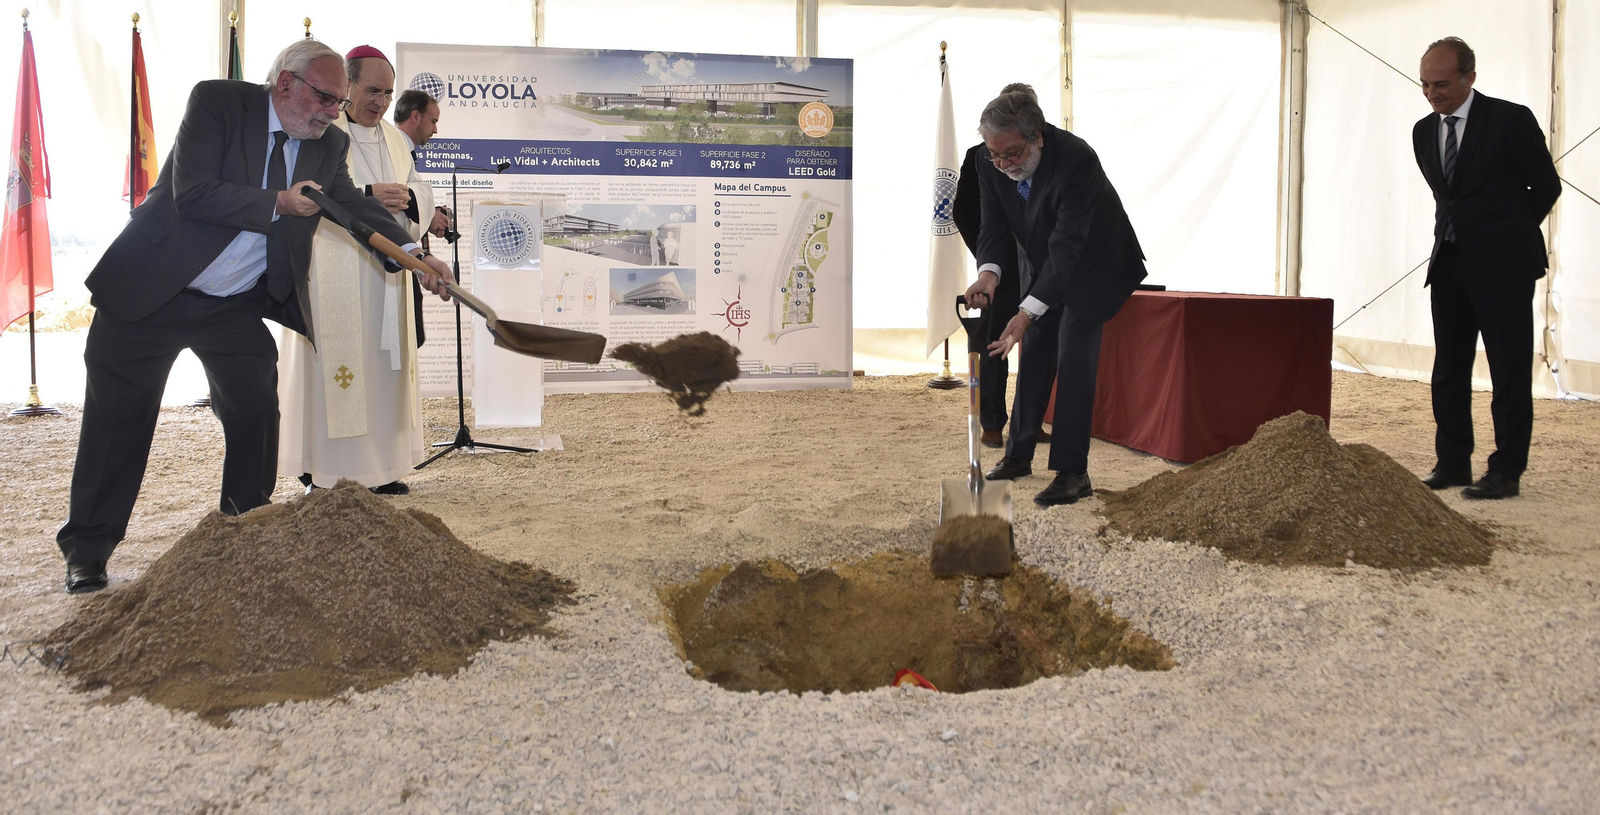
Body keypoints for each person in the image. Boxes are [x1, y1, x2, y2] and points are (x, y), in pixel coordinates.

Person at [56, 40, 453, 593]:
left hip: (233, 303)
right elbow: (192, 193)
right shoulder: (218, 105)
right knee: (119, 420)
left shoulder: (328, 143)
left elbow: (355, 211)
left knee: (256, 411)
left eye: (339, 102)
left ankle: (244, 533)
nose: (331, 111)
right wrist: (279, 204)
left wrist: (417, 257)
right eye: (324, 98)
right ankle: (89, 550)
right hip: (152, 291)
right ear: (285, 83)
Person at [963, 87, 1147, 506]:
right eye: (996, 155)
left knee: (1074, 360)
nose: (1004, 164)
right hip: (1044, 260)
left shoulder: (1078, 159)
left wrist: (1026, 313)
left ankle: (1072, 472)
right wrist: (989, 275)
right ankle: (1017, 455)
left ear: (1038, 136)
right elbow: (992, 224)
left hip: (1093, 261)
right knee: (1035, 355)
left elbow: (1068, 248)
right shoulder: (986, 160)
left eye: (1012, 153)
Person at [279, 47, 441, 496]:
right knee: (336, 370)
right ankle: (323, 470)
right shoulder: (321, 133)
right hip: (337, 268)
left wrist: (409, 199)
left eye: (388, 93)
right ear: (347, 86)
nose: (381, 102)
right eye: (372, 90)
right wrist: (370, 194)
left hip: (387, 276)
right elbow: (327, 194)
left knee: (384, 369)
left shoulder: (392, 138)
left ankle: (380, 468)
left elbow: (420, 189)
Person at [1412, 38, 1559, 500]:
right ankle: (1453, 462)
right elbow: (1448, 197)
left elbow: (1546, 186)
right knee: (1449, 370)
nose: (1432, 94)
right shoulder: (1422, 130)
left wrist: (1507, 235)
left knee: (1508, 371)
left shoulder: (1510, 119)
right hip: (1450, 264)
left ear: (1469, 77)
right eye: (1425, 85)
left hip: (1504, 269)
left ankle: (1506, 471)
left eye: (1441, 83)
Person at [951, 82, 1044, 450]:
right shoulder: (982, 158)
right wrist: (989, 264)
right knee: (994, 345)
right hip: (1000, 269)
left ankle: (1030, 422)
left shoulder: (1049, 154)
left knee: (1037, 345)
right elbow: (966, 212)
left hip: (1040, 267)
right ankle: (991, 424)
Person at [393, 89, 451, 240]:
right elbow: (398, 195)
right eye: (433, 121)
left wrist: (431, 214)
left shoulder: (404, 149)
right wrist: (430, 215)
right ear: (415, 116)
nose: (435, 130)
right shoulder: (391, 148)